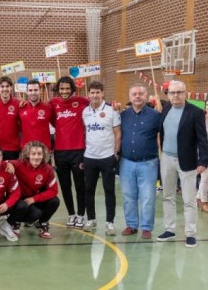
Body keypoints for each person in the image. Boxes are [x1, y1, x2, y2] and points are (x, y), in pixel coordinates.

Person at [157, 80, 208, 248]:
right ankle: (170, 229)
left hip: (187, 160)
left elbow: (202, 138)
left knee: (189, 199)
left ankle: (190, 233)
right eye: (172, 92)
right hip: (167, 159)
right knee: (168, 196)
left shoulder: (195, 112)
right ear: (168, 94)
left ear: (185, 93)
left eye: (179, 92)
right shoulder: (165, 110)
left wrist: (203, 160)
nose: (175, 95)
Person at [119, 84, 161, 240]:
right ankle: (131, 225)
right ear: (130, 97)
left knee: (148, 197)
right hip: (126, 162)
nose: (137, 96)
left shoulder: (155, 116)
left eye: (140, 94)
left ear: (146, 96)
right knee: (128, 196)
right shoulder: (123, 116)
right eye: (134, 94)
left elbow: (162, 135)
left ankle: (146, 227)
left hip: (148, 163)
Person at [49, 76, 89, 229]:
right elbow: (53, 121)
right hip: (60, 152)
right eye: (62, 89)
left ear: (72, 89)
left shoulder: (81, 101)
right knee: (65, 186)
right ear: (58, 90)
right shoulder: (53, 104)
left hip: (78, 151)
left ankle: (80, 214)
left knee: (80, 185)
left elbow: (95, 104)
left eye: (67, 89)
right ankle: (71, 214)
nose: (64, 92)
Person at [81, 81, 121, 235]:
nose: (95, 95)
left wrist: (116, 153)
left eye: (98, 92)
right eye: (92, 92)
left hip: (107, 157)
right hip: (89, 157)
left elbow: (118, 132)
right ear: (88, 94)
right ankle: (91, 219)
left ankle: (110, 222)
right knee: (88, 190)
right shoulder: (85, 112)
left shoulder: (112, 111)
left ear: (103, 93)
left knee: (109, 190)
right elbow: (86, 132)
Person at [8, 141, 60, 239]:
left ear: (44, 155)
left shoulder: (47, 169)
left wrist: (34, 199)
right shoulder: (19, 164)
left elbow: (53, 190)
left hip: (33, 198)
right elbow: (4, 162)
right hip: (19, 199)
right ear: (28, 154)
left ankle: (41, 223)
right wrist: (8, 164)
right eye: (33, 154)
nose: (36, 157)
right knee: (34, 213)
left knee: (55, 201)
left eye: (39, 154)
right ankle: (15, 222)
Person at [0, 76, 20, 160]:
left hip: (12, 147)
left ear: (11, 88)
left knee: (10, 172)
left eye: (7, 86)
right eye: (2, 86)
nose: (5, 89)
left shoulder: (19, 104)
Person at [19, 80, 52, 150]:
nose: (33, 93)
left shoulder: (48, 107)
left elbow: (56, 124)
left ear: (40, 91)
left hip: (44, 149)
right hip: (26, 149)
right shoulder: (21, 108)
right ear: (27, 92)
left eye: (35, 90)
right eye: (30, 90)